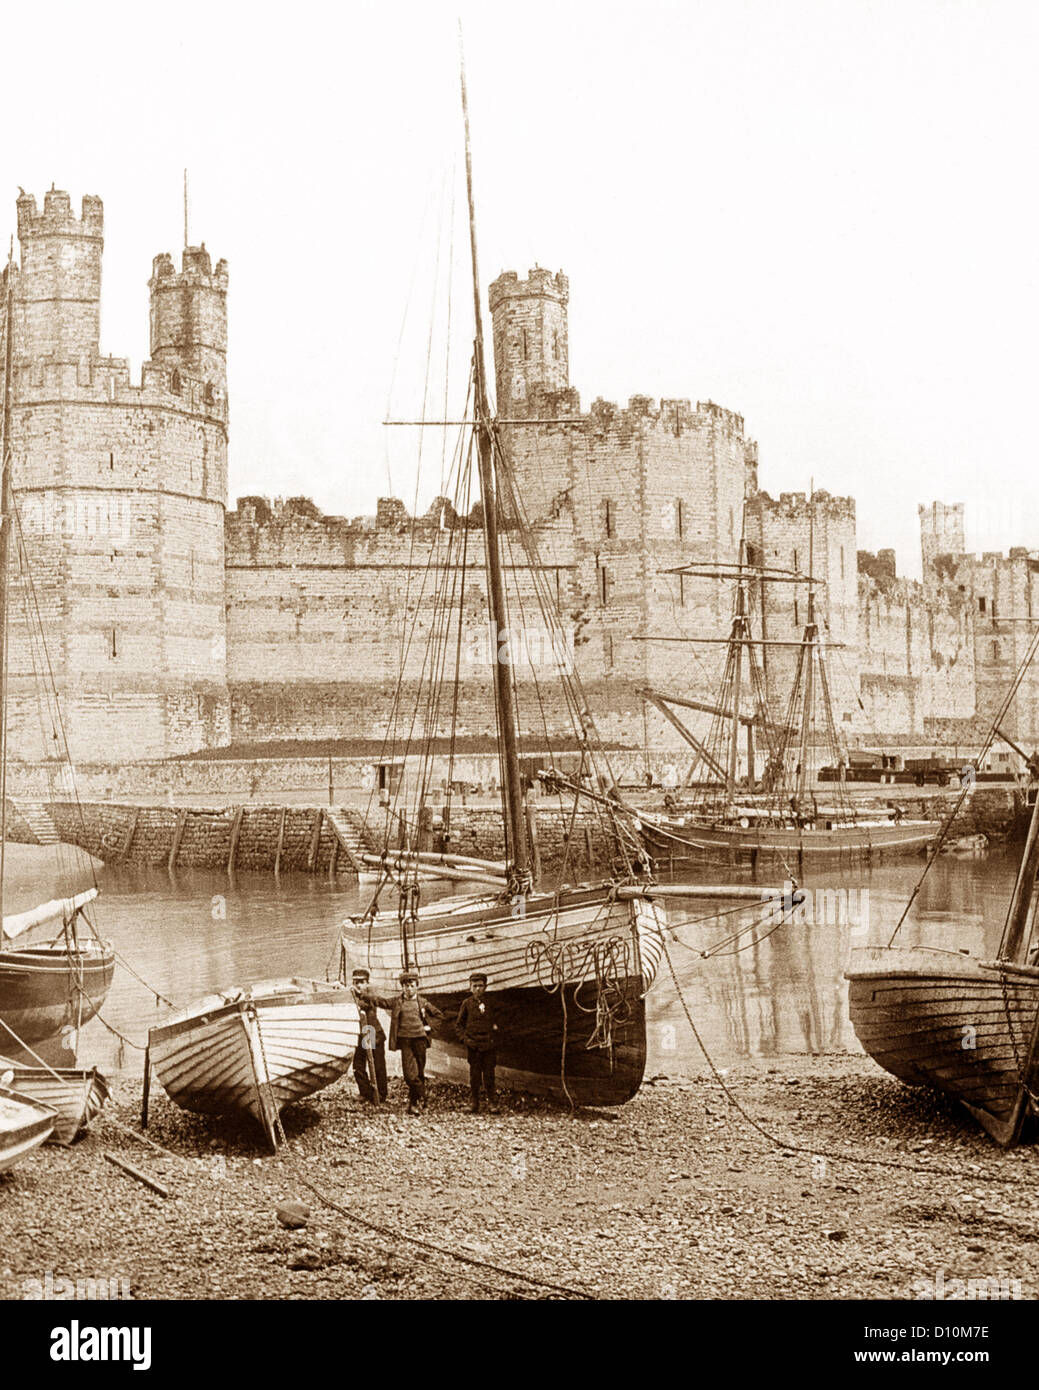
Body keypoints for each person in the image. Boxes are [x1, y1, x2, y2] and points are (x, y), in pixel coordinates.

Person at [357, 969, 443, 1115]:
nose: (408, 988)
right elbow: (381, 1001)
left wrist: (428, 1027)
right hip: (405, 1042)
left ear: (417, 986)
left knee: (419, 1072)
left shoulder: (422, 1003)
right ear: (402, 987)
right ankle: (424, 1095)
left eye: (411, 985)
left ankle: (414, 1103)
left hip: (420, 1040)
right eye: (405, 986)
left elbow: (439, 1016)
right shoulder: (398, 1001)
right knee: (410, 1075)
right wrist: (362, 994)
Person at [455, 972, 499, 1113]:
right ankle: (474, 1103)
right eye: (475, 986)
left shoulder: (491, 1003)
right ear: (470, 988)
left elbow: (500, 1021)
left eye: (481, 986)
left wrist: (495, 1035)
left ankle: (492, 1103)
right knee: (474, 1076)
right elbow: (458, 1025)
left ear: (485, 987)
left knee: (489, 1075)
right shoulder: (467, 1004)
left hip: (488, 1045)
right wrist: (465, 1040)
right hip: (473, 1046)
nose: (478, 989)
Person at [349, 968, 387, 1105]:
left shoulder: (370, 994)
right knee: (358, 1065)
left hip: (372, 1032)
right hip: (361, 1032)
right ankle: (365, 1092)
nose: (359, 985)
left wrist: (351, 995)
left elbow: (366, 1005)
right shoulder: (353, 994)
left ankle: (381, 1094)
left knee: (378, 1065)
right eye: (356, 982)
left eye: (362, 982)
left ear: (367, 982)